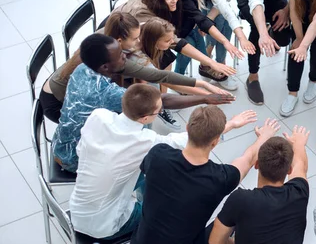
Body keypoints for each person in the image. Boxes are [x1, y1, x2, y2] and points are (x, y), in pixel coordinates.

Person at [69, 84, 254, 240]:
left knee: (145, 172)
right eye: (158, 112)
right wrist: (231, 124)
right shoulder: (145, 142)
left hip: (76, 208)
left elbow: (80, 151)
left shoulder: (98, 116)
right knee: (156, 213)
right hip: (104, 226)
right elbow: (186, 140)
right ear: (145, 118)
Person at [52, 34, 235, 173]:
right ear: (105, 67)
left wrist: (199, 85)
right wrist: (204, 98)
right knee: (147, 166)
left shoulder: (84, 68)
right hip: (73, 157)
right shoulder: (103, 91)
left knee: (141, 119)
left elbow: (156, 76)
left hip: (61, 142)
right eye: (120, 55)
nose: (125, 55)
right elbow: (160, 101)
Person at [39, 12, 221, 123]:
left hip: (61, 86)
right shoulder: (103, 79)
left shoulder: (105, 43)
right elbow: (160, 92)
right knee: (133, 111)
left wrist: (203, 85)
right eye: (135, 39)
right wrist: (204, 95)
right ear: (119, 41)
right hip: (57, 101)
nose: (139, 41)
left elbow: (158, 74)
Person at [130, 109, 275, 244]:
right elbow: (248, 159)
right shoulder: (221, 179)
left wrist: (230, 124)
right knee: (233, 219)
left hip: (141, 239)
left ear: (187, 128)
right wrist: (264, 137)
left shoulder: (158, 154)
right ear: (216, 141)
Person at [109, 0, 237, 80]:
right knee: (163, 60)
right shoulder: (143, 13)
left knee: (173, 50)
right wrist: (211, 63)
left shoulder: (157, 2)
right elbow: (174, 42)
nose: (174, 0)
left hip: (141, 35)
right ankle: (161, 100)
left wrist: (224, 42)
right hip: (121, 45)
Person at [209, 125, 310, 244]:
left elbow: (215, 242)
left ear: (257, 165)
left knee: (217, 227)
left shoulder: (241, 200)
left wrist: (263, 137)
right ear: (289, 170)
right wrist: (298, 143)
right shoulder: (299, 192)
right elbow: (301, 165)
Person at [236, 0, 300, 105]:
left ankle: (271, 29)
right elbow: (256, 1)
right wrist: (263, 33)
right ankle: (252, 77)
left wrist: (287, 11)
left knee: (284, 38)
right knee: (257, 30)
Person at [172, 0, 244, 89]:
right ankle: (209, 64)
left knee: (224, 20)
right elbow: (199, 18)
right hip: (178, 31)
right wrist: (225, 41)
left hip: (193, 20)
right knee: (189, 44)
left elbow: (222, 3)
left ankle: (212, 63)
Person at [203, 0, 257, 89]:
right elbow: (222, 5)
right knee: (221, 20)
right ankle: (211, 62)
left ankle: (212, 64)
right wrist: (241, 36)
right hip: (201, 0)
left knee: (224, 22)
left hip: (221, 2)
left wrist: (210, 17)